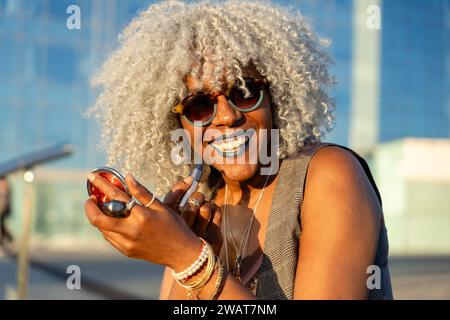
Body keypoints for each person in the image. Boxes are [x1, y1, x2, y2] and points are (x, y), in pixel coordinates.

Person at [85, 0, 393, 300]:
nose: (227, 116)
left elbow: (191, 266)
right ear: (178, 125)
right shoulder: (201, 208)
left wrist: (189, 260)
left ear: (275, 98)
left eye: (244, 92)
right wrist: (186, 248)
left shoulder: (328, 174)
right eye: (199, 105)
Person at [0, 176, 13, 247]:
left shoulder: (6, 188)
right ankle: (8, 239)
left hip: (4, 210)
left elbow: (7, 201)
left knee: (2, 225)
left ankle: (9, 239)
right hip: (3, 210)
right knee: (2, 225)